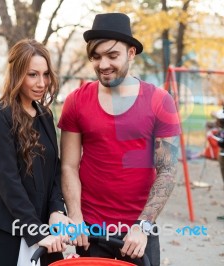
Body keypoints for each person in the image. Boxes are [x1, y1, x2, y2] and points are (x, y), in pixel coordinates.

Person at [58, 13, 181, 266]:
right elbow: (69, 165)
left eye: (112, 55)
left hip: (139, 233)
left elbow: (167, 170)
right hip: (90, 230)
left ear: (131, 53)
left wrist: (143, 226)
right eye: (96, 56)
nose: (103, 64)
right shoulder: (76, 101)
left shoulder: (160, 101)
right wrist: (76, 216)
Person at [0, 39, 69, 266]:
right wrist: (36, 231)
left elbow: (54, 169)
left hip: (48, 234)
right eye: (33, 75)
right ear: (17, 75)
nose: (42, 83)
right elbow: (8, 181)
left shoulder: (45, 115)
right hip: (10, 234)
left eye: (46, 74)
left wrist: (58, 209)